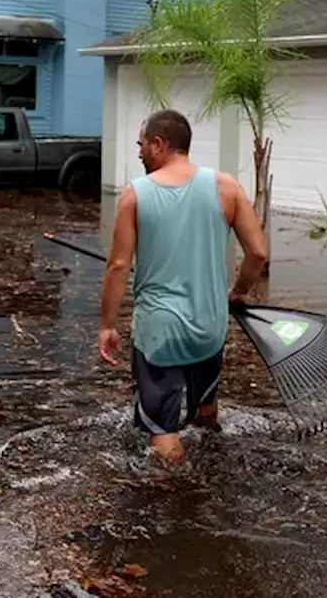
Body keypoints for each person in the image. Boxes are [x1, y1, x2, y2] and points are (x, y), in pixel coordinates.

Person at [97, 108, 268, 465]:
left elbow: (117, 266)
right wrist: (237, 293)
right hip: (210, 326)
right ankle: (212, 472)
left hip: (161, 334)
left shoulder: (135, 195)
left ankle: (177, 494)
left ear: (159, 144)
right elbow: (258, 253)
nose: (139, 152)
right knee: (205, 413)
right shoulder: (228, 188)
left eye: (141, 145)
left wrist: (107, 326)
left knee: (162, 428)